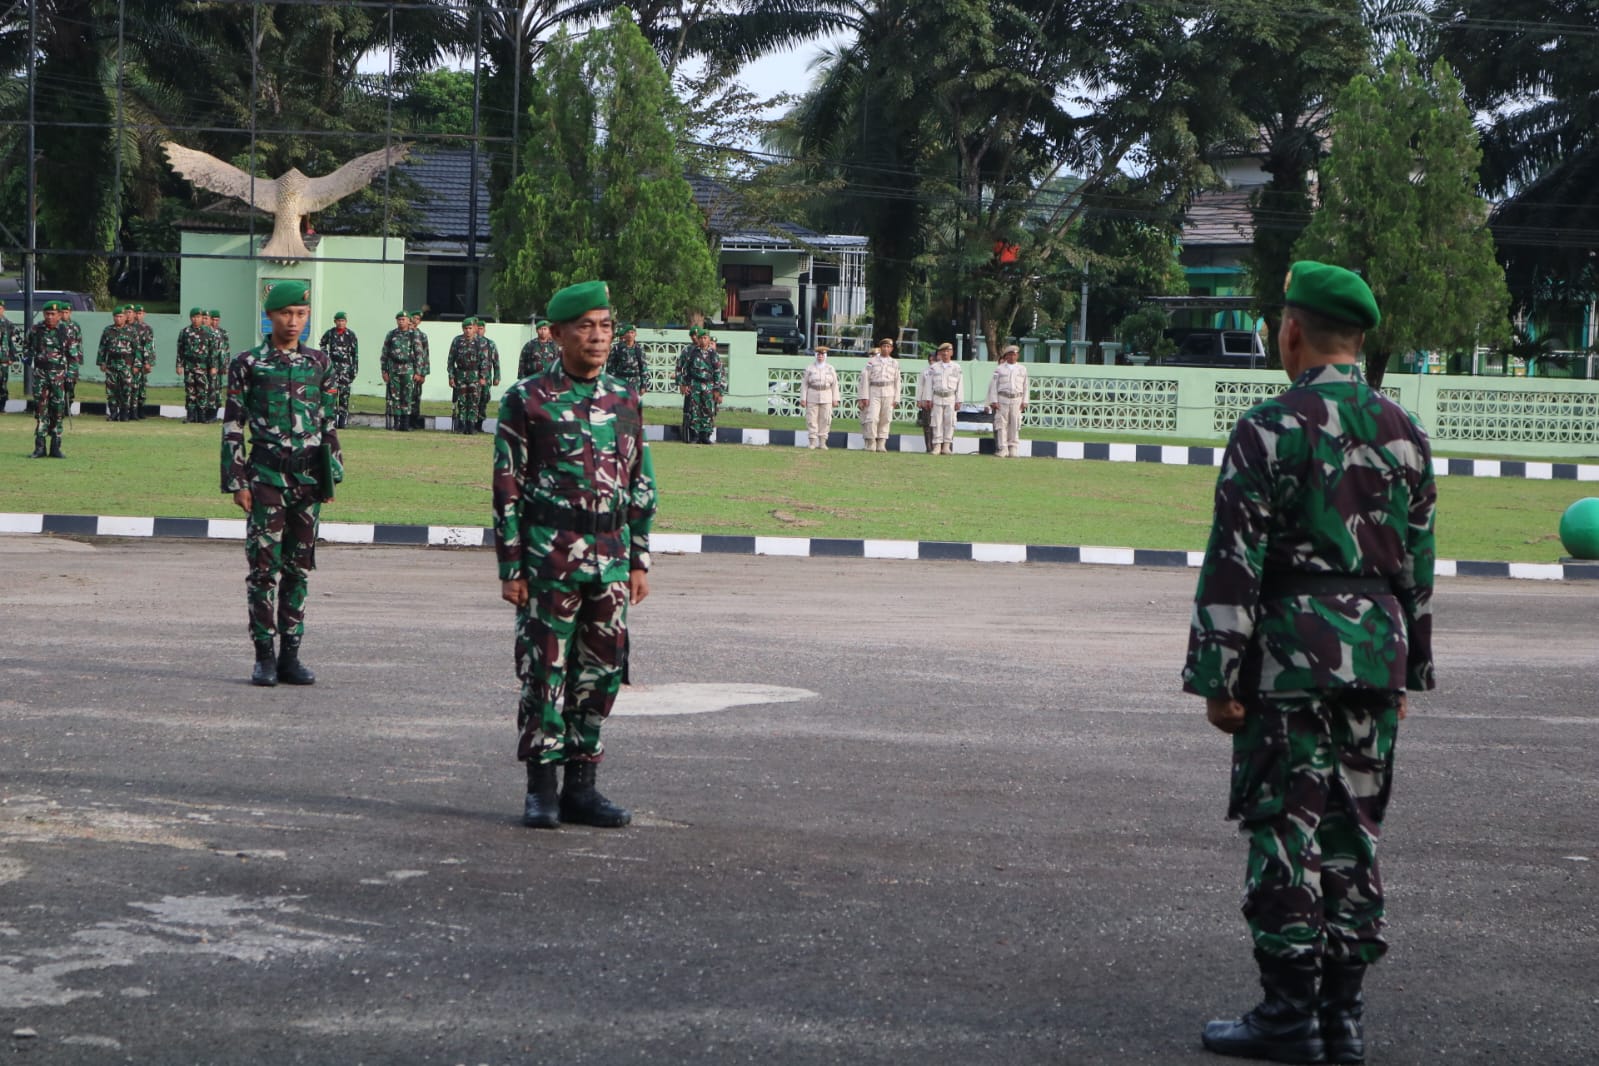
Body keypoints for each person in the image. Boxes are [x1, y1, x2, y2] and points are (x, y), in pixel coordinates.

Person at [1183, 261, 1436, 1065]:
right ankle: (1343, 1018)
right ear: (1356, 340)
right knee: (1351, 831)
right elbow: (1417, 568)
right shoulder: (1404, 430)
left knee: (1283, 828)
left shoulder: (1268, 424)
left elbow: (1234, 561)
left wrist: (1218, 677)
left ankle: (1287, 1013)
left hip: (1288, 657)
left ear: (1289, 330)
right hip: (1374, 657)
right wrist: (1409, 673)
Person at [493, 280, 655, 829]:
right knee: (546, 673)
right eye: (585, 326)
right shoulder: (527, 398)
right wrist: (511, 567)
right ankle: (541, 787)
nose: (598, 336)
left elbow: (640, 482)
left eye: (605, 325)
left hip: (610, 560)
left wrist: (639, 559)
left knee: (602, 672)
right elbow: (507, 486)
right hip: (549, 561)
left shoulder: (625, 399)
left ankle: (582, 787)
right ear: (558, 333)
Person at [221, 280, 343, 688]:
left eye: (301, 314)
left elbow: (328, 425)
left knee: (299, 569)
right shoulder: (248, 363)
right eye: (286, 314)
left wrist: (331, 476)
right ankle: (264, 657)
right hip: (267, 478)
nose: (294, 322)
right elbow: (234, 426)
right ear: (270, 316)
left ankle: (291, 655)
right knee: (262, 571)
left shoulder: (319, 363)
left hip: (308, 480)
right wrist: (238, 481)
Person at [26, 302, 74, 458]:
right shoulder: (36, 330)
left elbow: (73, 356)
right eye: (47, 314)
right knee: (41, 410)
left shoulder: (65, 331)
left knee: (58, 410)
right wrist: (31, 361)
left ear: (60, 315)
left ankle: (55, 447)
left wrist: (70, 377)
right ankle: (40, 447)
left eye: (53, 314)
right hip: (41, 375)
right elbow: (27, 349)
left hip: (59, 376)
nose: (50, 317)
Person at [674, 326, 725, 444]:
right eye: (700, 338)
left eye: (705, 338)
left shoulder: (713, 354)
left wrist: (718, 390)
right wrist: (681, 384)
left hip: (708, 386)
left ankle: (705, 435)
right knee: (694, 410)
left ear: (708, 339)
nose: (702, 340)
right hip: (694, 384)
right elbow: (679, 367)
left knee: (708, 410)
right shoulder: (691, 352)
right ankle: (695, 435)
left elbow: (718, 373)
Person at [917, 342, 962, 455]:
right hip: (937, 397)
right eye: (943, 351)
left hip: (950, 397)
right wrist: (928, 399)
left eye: (948, 351)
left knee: (949, 422)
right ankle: (936, 446)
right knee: (936, 422)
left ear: (951, 353)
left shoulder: (956, 367)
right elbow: (928, 385)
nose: (945, 353)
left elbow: (960, 385)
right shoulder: (934, 367)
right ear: (940, 354)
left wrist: (959, 400)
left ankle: (946, 446)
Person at [96, 305, 138, 422]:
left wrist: (136, 365)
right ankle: (113, 413)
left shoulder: (132, 331)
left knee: (126, 388)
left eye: (120, 316)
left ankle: (124, 413)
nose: (118, 319)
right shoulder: (108, 330)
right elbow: (102, 347)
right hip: (112, 363)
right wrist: (101, 362)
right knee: (111, 389)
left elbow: (137, 350)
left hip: (126, 363)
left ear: (125, 317)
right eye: (116, 317)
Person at [318, 311, 360, 429]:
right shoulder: (330, 333)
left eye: (343, 321)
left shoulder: (351, 335)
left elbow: (355, 354)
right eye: (338, 321)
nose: (340, 323)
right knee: (332, 395)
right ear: (335, 321)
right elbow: (322, 344)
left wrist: (354, 370)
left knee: (344, 396)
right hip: (333, 368)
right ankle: (332, 420)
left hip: (346, 369)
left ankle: (342, 421)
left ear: (346, 322)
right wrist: (326, 357)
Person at [858, 336, 900, 452]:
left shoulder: (895, 363)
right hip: (874, 391)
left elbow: (897, 381)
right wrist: (865, 396)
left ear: (891, 349)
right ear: (880, 348)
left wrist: (897, 398)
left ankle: (881, 442)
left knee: (885, 418)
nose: (886, 349)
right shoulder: (872, 362)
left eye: (888, 346)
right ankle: (871, 442)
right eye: (884, 346)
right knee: (872, 417)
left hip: (889, 391)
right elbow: (865, 379)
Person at [380, 310, 420, 431]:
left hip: (408, 368)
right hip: (394, 369)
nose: (401, 322)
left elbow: (419, 354)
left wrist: (418, 372)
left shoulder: (414, 334)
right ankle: (396, 423)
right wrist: (384, 371)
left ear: (408, 321)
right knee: (395, 396)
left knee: (407, 396)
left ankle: (405, 423)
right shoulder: (391, 334)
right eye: (399, 320)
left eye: (403, 320)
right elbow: (384, 353)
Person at [986, 345, 1029, 457]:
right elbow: (994, 386)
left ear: (1017, 355)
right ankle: (1003, 448)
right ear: (1006, 356)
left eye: (1014, 354)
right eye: (1010, 354)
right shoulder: (999, 369)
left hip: (1017, 399)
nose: (1012, 357)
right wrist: (994, 401)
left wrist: (1025, 401)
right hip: (1003, 399)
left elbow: (1026, 386)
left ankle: (1013, 448)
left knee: (1015, 424)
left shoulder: (1022, 369)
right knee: (1001, 424)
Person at [448, 318, 485, 434]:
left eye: (470, 328)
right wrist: (451, 376)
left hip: (475, 374)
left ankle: (471, 426)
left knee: (474, 401)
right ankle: (462, 426)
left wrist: (483, 377)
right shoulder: (457, 341)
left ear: (474, 328)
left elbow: (484, 361)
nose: (468, 331)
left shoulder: (480, 342)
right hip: (461, 374)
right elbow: (450, 360)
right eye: (466, 328)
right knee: (462, 401)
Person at [176, 307, 213, 423]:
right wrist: (179, 365)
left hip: (202, 366)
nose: (196, 319)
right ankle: (190, 415)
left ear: (202, 318)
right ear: (190, 318)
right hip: (189, 366)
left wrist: (213, 366)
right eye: (193, 317)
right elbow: (180, 350)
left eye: (198, 317)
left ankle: (202, 416)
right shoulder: (185, 332)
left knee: (203, 390)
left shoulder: (208, 332)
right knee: (190, 390)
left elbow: (213, 351)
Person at [801, 344, 841, 449]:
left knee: (826, 419)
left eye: (822, 354)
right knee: (811, 419)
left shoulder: (830, 368)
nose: (820, 356)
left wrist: (835, 399)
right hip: (812, 394)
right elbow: (804, 384)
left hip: (826, 395)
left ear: (825, 356)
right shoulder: (809, 368)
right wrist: (803, 398)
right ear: (815, 355)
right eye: (818, 354)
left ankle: (823, 442)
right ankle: (812, 442)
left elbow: (835, 384)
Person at [608, 323, 648, 404]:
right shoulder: (617, 348)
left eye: (632, 332)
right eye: (628, 332)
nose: (630, 335)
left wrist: (644, 385)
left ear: (635, 334)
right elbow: (610, 367)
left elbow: (643, 368)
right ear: (624, 334)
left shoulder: (639, 349)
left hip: (635, 382)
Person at [474, 317, 501, 430]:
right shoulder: (469, 342)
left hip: (486, 378)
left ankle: (479, 424)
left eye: (481, 328)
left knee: (483, 400)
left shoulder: (490, 344)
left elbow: (496, 361)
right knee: (472, 400)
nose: (479, 331)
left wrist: (497, 376)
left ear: (484, 330)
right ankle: (470, 424)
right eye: (478, 328)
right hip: (472, 377)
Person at [129, 304, 155, 419]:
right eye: (136, 313)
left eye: (140, 313)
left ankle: (141, 409)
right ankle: (132, 411)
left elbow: (150, 347)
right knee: (132, 386)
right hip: (132, 361)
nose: (138, 316)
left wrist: (149, 362)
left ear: (144, 314)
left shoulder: (147, 328)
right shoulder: (129, 327)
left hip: (143, 362)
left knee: (142, 386)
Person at [58, 306, 84, 408]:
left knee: (71, 382)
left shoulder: (75, 326)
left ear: (70, 313)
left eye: (66, 312)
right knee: (59, 382)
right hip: (59, 358)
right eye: (62, 312)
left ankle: (68, 404)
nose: (64, 315)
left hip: (72, 358)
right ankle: (60, 405)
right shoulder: (57, 325)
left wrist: (80, 358)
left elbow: (79, 342)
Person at [408, 310, 430, 429]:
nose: (415, 320)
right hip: (406, 369)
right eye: (413, 318)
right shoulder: (405, 333)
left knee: (416, 396)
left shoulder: (422, 336)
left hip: (418, 370)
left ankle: (414, 419)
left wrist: (423, 373)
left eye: (417, 319)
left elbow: (425, 355)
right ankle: (406, 420)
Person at [0, 305, 19, 412]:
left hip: (3, 358)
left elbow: (13, 342)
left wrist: (12, 357)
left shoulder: (8, 324)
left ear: (3, 309)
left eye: (0, 308)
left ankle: (1, 405)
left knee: (2, 382)